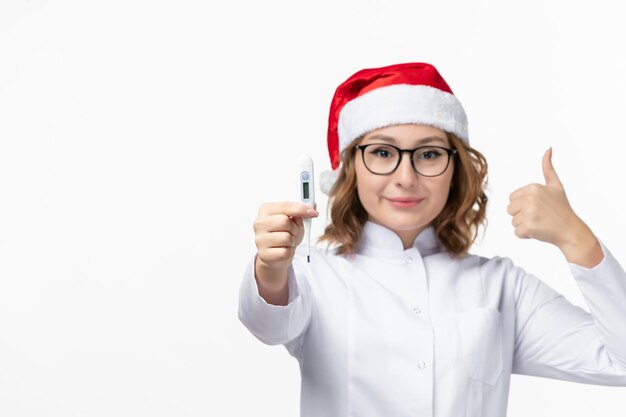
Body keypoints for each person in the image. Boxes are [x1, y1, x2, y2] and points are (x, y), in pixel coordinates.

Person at [238, 62, 626, 417]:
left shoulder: (503, 287)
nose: (406, 177)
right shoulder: (313, 275)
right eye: (383, 152)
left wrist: (577, 239)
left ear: (456, 169)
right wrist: (270, 267)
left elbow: (619, 362)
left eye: (427, 155)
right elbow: (267, 323)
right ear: (351, 168)